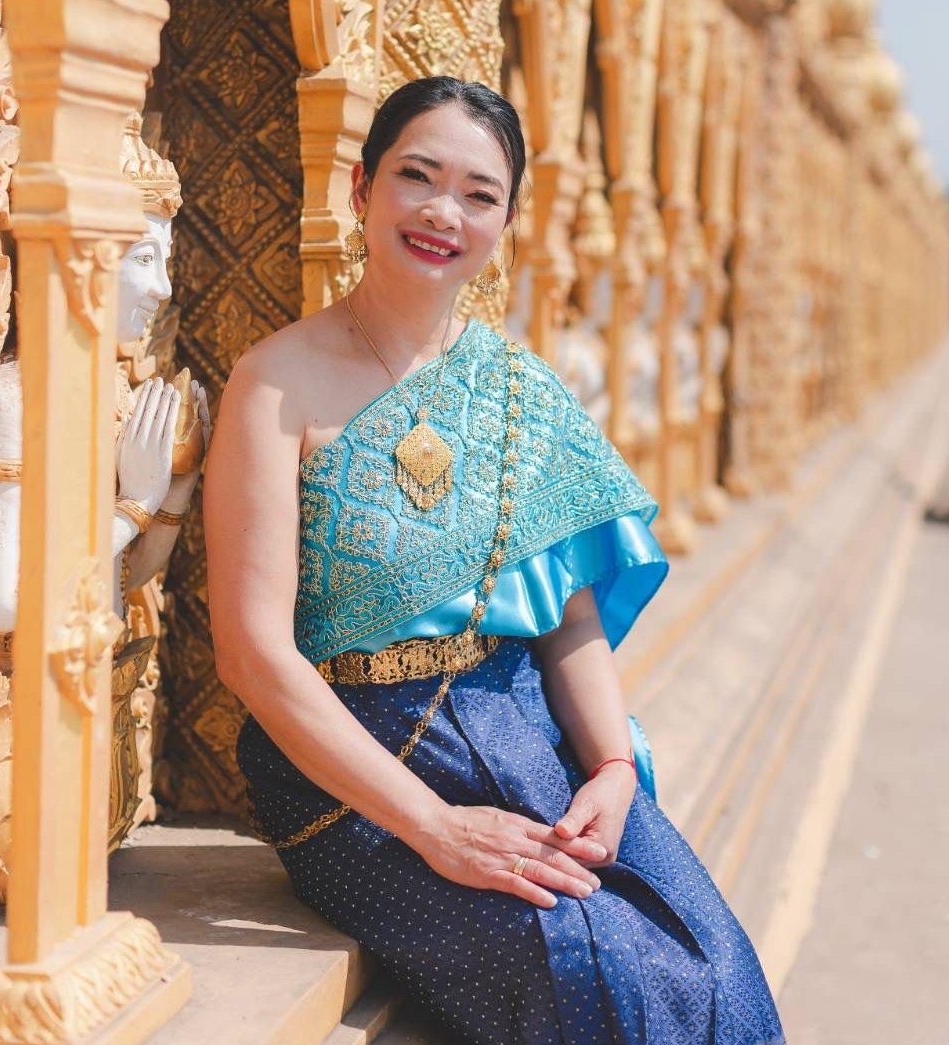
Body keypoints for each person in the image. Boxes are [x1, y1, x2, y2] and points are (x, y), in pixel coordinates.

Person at [203, 75, 785, 1045]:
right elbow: (253, 654)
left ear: (506, 221)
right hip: (359, 777)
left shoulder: (522, 390)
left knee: (714, 964)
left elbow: (568, 617)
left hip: (526, 732)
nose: (442, 212)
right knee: (603, 968)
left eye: (478, 194)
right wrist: (436, 827)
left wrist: (608, 769)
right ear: (361, 188)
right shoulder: (276, 386)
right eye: (416, 177)